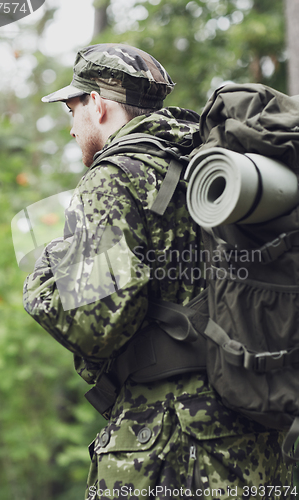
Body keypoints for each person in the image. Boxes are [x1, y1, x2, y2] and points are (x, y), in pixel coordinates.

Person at [23, 43, 292, 499]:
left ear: (100, 106)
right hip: (253, 430)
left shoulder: (114, 177)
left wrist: (40, 284)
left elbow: (100, 325)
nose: (71, 128)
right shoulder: (204, 158)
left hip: (166, 442)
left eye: (73, 109)